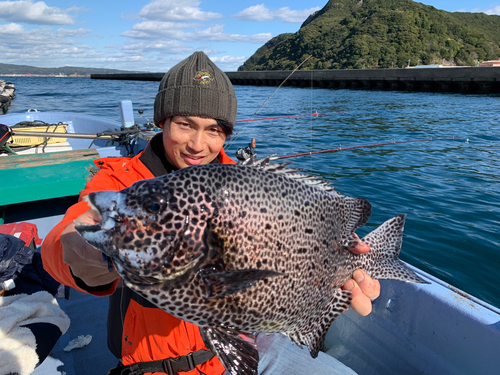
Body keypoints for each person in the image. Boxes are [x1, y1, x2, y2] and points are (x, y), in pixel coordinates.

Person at [41, 52, 380, 375]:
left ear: (226, 134)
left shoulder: (251, 184)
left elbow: (292, 249)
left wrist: (338, 268)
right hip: (156, 366)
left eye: (214, 130)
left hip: (254, 340)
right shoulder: (124, 185)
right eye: (185, 124)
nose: (197, 145)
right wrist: (76, 247)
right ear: (163, 121)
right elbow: (62, 242)